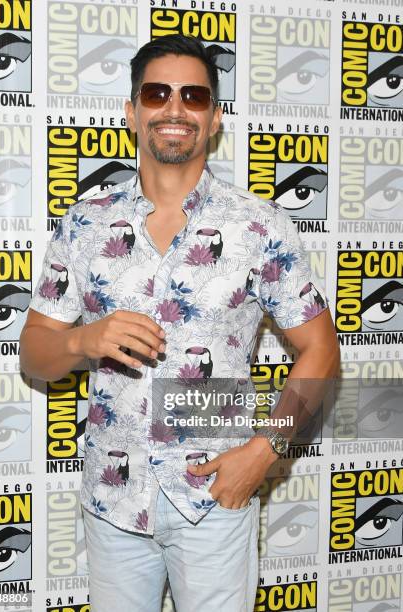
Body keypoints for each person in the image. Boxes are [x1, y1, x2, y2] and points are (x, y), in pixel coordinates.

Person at [20, 34, 340, 612]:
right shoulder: (85, 222)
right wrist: (83, 338)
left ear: (214, 118)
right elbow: (33, 353)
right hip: (114, 502)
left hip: (215, 496)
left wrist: (264, 453)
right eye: (157, 92)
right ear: (132, 111)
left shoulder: (258, 225)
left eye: (193, 96)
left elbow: (321, 349)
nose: (174, 108)